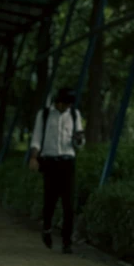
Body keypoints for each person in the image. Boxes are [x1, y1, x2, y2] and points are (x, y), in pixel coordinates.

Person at [28, 87, 85, 255]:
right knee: (50, 201)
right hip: (50, 162)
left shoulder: (75, 115)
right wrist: (33, 157)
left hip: (68, 161)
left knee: (69, 204)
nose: (66, 108)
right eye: (64, 104)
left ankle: (67, 242)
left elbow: (80, 142)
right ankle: (46, 229)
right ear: (58, 102)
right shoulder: (44, 115)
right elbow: (37, 138)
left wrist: (79, 140)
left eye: (69, 105)